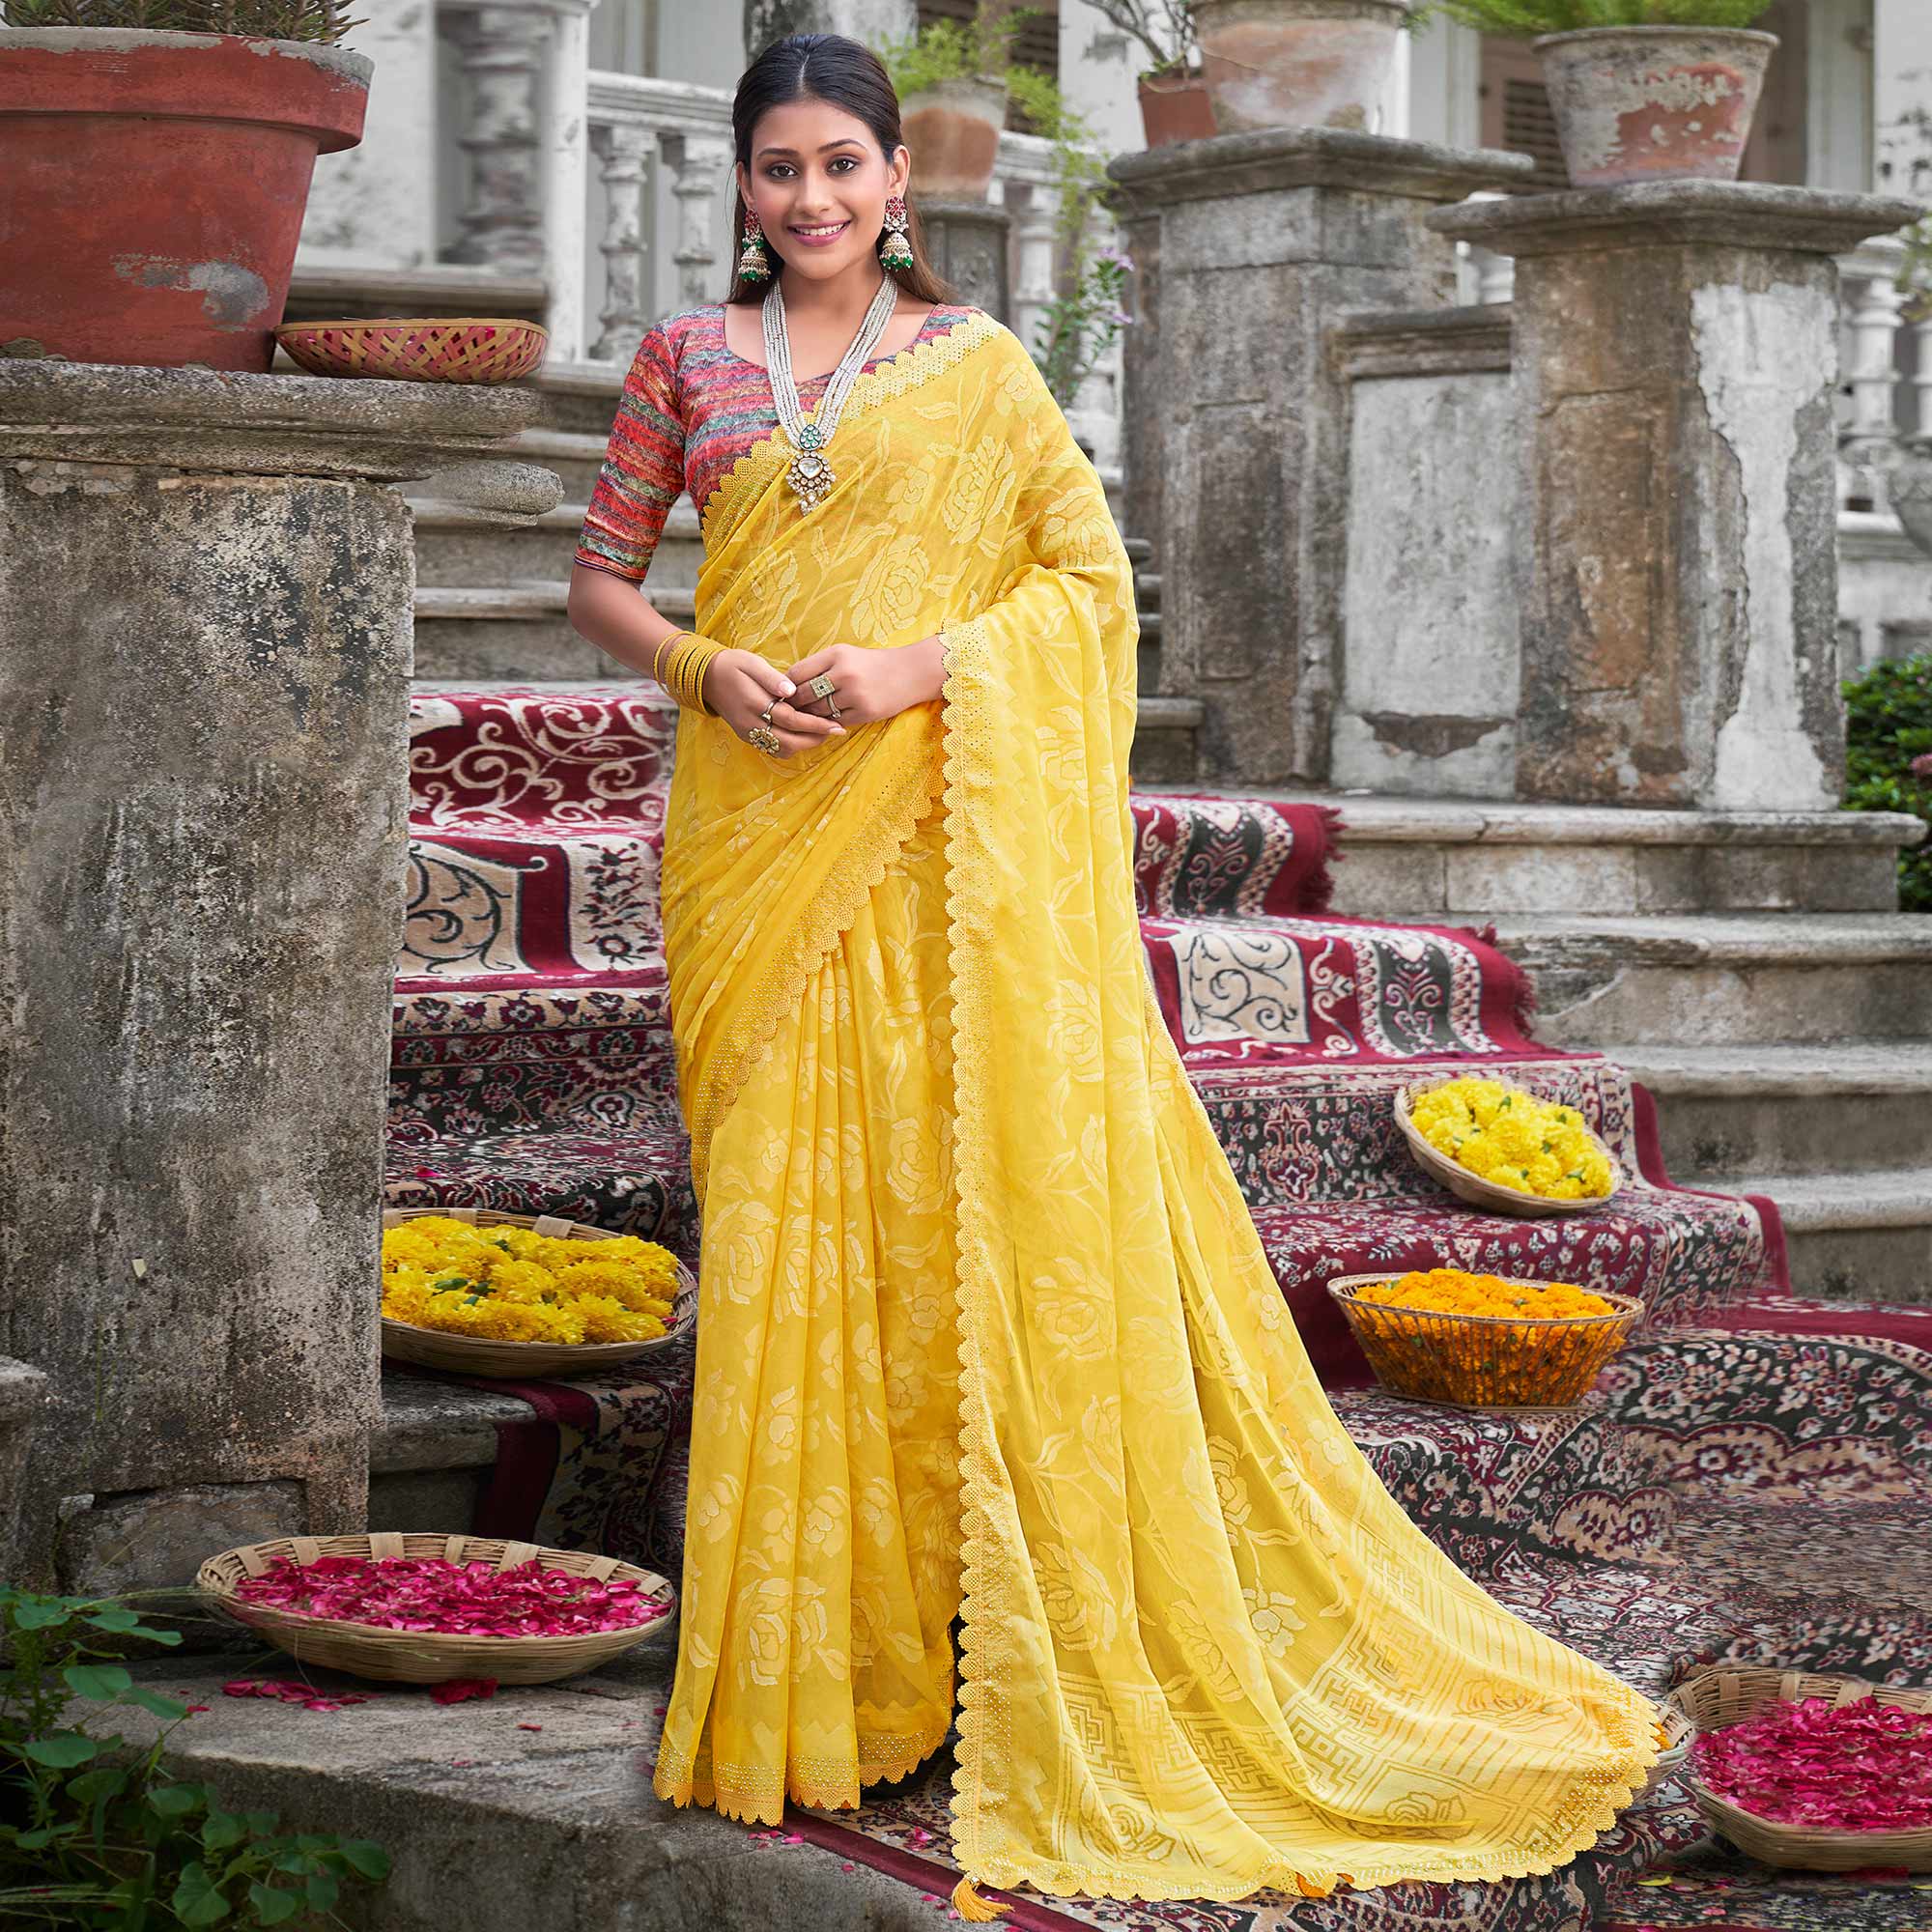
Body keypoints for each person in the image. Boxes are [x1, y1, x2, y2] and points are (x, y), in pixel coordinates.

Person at [566, 31, 1660, 1916]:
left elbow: (1084, 595)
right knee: (776, 1221)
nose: (812, 201)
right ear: (742, 192)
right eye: (779, 173)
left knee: (922, 1222)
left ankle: (920, 1662)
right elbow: (599, 575)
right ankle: (806, 1669)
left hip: (918, 838)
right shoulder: (680, 360)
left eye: (842, 167)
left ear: (898, 181)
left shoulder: (977, 373)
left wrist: (919, 668)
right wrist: (696, 668)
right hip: (750, 837)